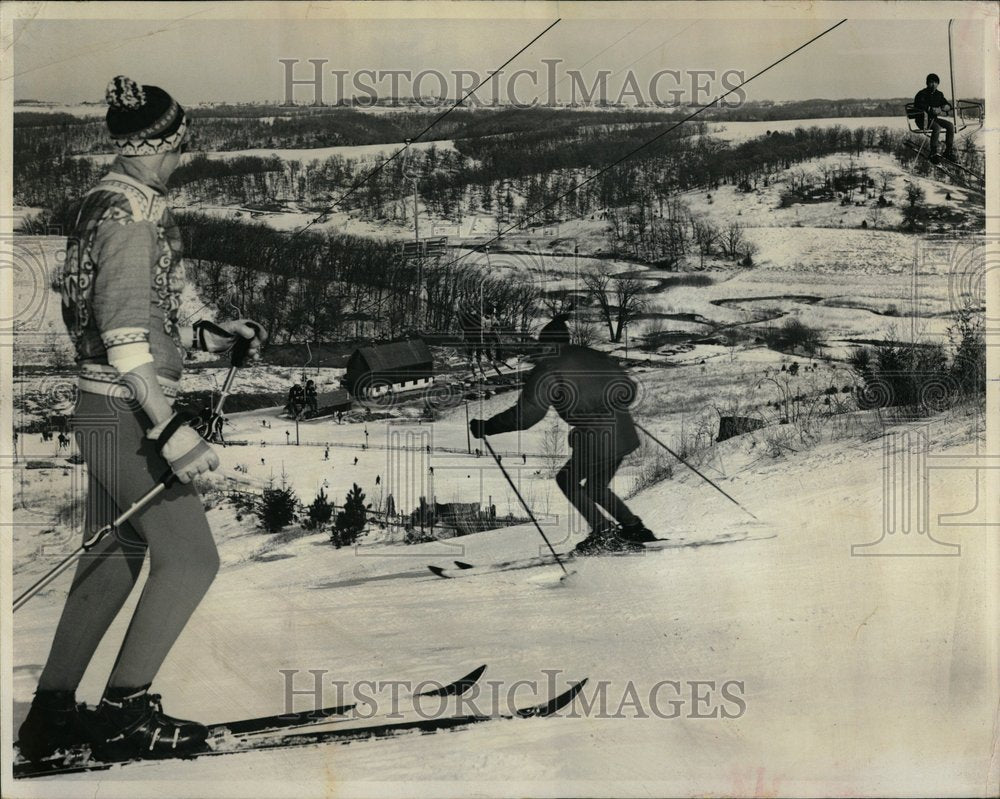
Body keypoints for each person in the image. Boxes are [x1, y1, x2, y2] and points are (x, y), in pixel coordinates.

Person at [18, 76, 265, 764]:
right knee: (190, 557)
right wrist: (169, 427)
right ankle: (126, 710)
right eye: (180, 145)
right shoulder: (129, 218)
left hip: (98, 405)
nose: (183, 158)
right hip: (125, 407)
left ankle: (52, 717)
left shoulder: (117, 201)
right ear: (159, 144)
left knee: (118, 554)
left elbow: (151, 305)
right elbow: (125, 336)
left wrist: (210, 333)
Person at [469, 315, 653, 554]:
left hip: (595, 435)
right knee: (596, 486)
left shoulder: (548, 369)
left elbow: (526, 416)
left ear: (547, 344)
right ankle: (634, 528)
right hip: (623, 431)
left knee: (567, 480)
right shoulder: (594, 355)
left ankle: (604, 534)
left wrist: (488, 427)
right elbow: (629, 389)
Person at [913, 73, 954, 162]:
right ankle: (933, 152)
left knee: (950, 125)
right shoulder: (922, 94)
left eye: (936, 82)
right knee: (937, 128)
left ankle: (948, 151)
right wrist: (930, 109)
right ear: (927, 83)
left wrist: (946, 107)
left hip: (934, 119)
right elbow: (918, 104)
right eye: (931, 82)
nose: (934, 84)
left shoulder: (939, 94)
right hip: (922, 120)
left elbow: (946, 104)